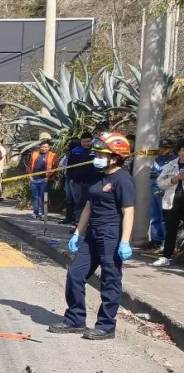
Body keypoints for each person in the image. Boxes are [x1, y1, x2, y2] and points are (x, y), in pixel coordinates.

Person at [48, 132, 135, 341]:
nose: (96, 156)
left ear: (115, 157)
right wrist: (78, 232)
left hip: (111, 235)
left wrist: (124, 241)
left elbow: (128, 211)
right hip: (92, 234)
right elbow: (88, 205)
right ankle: (75, 319)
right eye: (96, 152)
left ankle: (106, 326)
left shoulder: (123, 180)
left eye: (100, 153)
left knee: (110, 280)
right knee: (75, 274)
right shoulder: (98, 176)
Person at [152, 141, 184, 267]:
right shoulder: (171, 165)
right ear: (179, 151)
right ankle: (166, 257)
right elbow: (160, 183)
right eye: (182, 150)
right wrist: (174, 179)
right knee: (171, 229)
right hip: (172, 200)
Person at [62, 136, 97, 224]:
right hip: (77, 182)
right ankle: (78, 223)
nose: (86, 144)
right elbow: (70, 166)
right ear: (81, 142)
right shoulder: (75, 152)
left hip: (91, 182)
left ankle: (89, 223)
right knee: (79, 203)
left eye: (88, 141)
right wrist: (70, 178)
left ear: (91, 141)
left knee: (91, 203)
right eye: (84, 142)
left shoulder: (95, 151)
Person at [148, 138, 175, 252]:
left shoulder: (174, 161)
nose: (162, 150)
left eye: (165, 148)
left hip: (166, 192)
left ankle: (165, 243)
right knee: (155, 217)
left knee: (165, 218)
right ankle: (155, 242)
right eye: (161, 147)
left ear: (171, 149)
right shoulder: (157, 160)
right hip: (155, 191)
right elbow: (153, 175)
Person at [26, 140, 57, 220]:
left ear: (49, 148)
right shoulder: (34, 154)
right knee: (35, 197)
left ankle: (43, 213)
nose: (44, 148)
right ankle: (35, 212)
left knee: (44, 197)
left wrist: (48, 178)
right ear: (40, 147)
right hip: (34, 180)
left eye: (46, 147)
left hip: (44, 180)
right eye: (42, 147)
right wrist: (30, 176)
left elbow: (54, 168)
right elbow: (29, 166)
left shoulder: (52, 155)